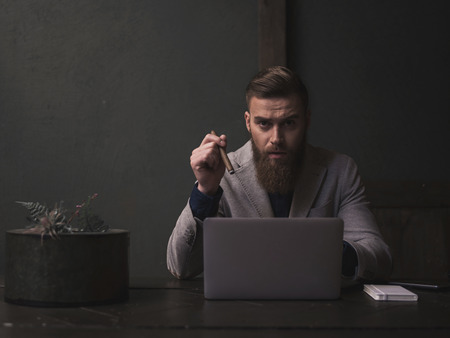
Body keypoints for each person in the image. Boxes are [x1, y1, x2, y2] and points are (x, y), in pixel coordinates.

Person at [167, 66, 392, 283]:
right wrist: (205, 191)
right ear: (248, 122)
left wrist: (327, 249)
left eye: (289, 123)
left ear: (307, 120)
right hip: (239, 312)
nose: (276, 138)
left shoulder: (340, 170)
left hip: (320, 312)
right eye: (264, 123)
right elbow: (181, 267)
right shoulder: (223, 173)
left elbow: (378, 256)